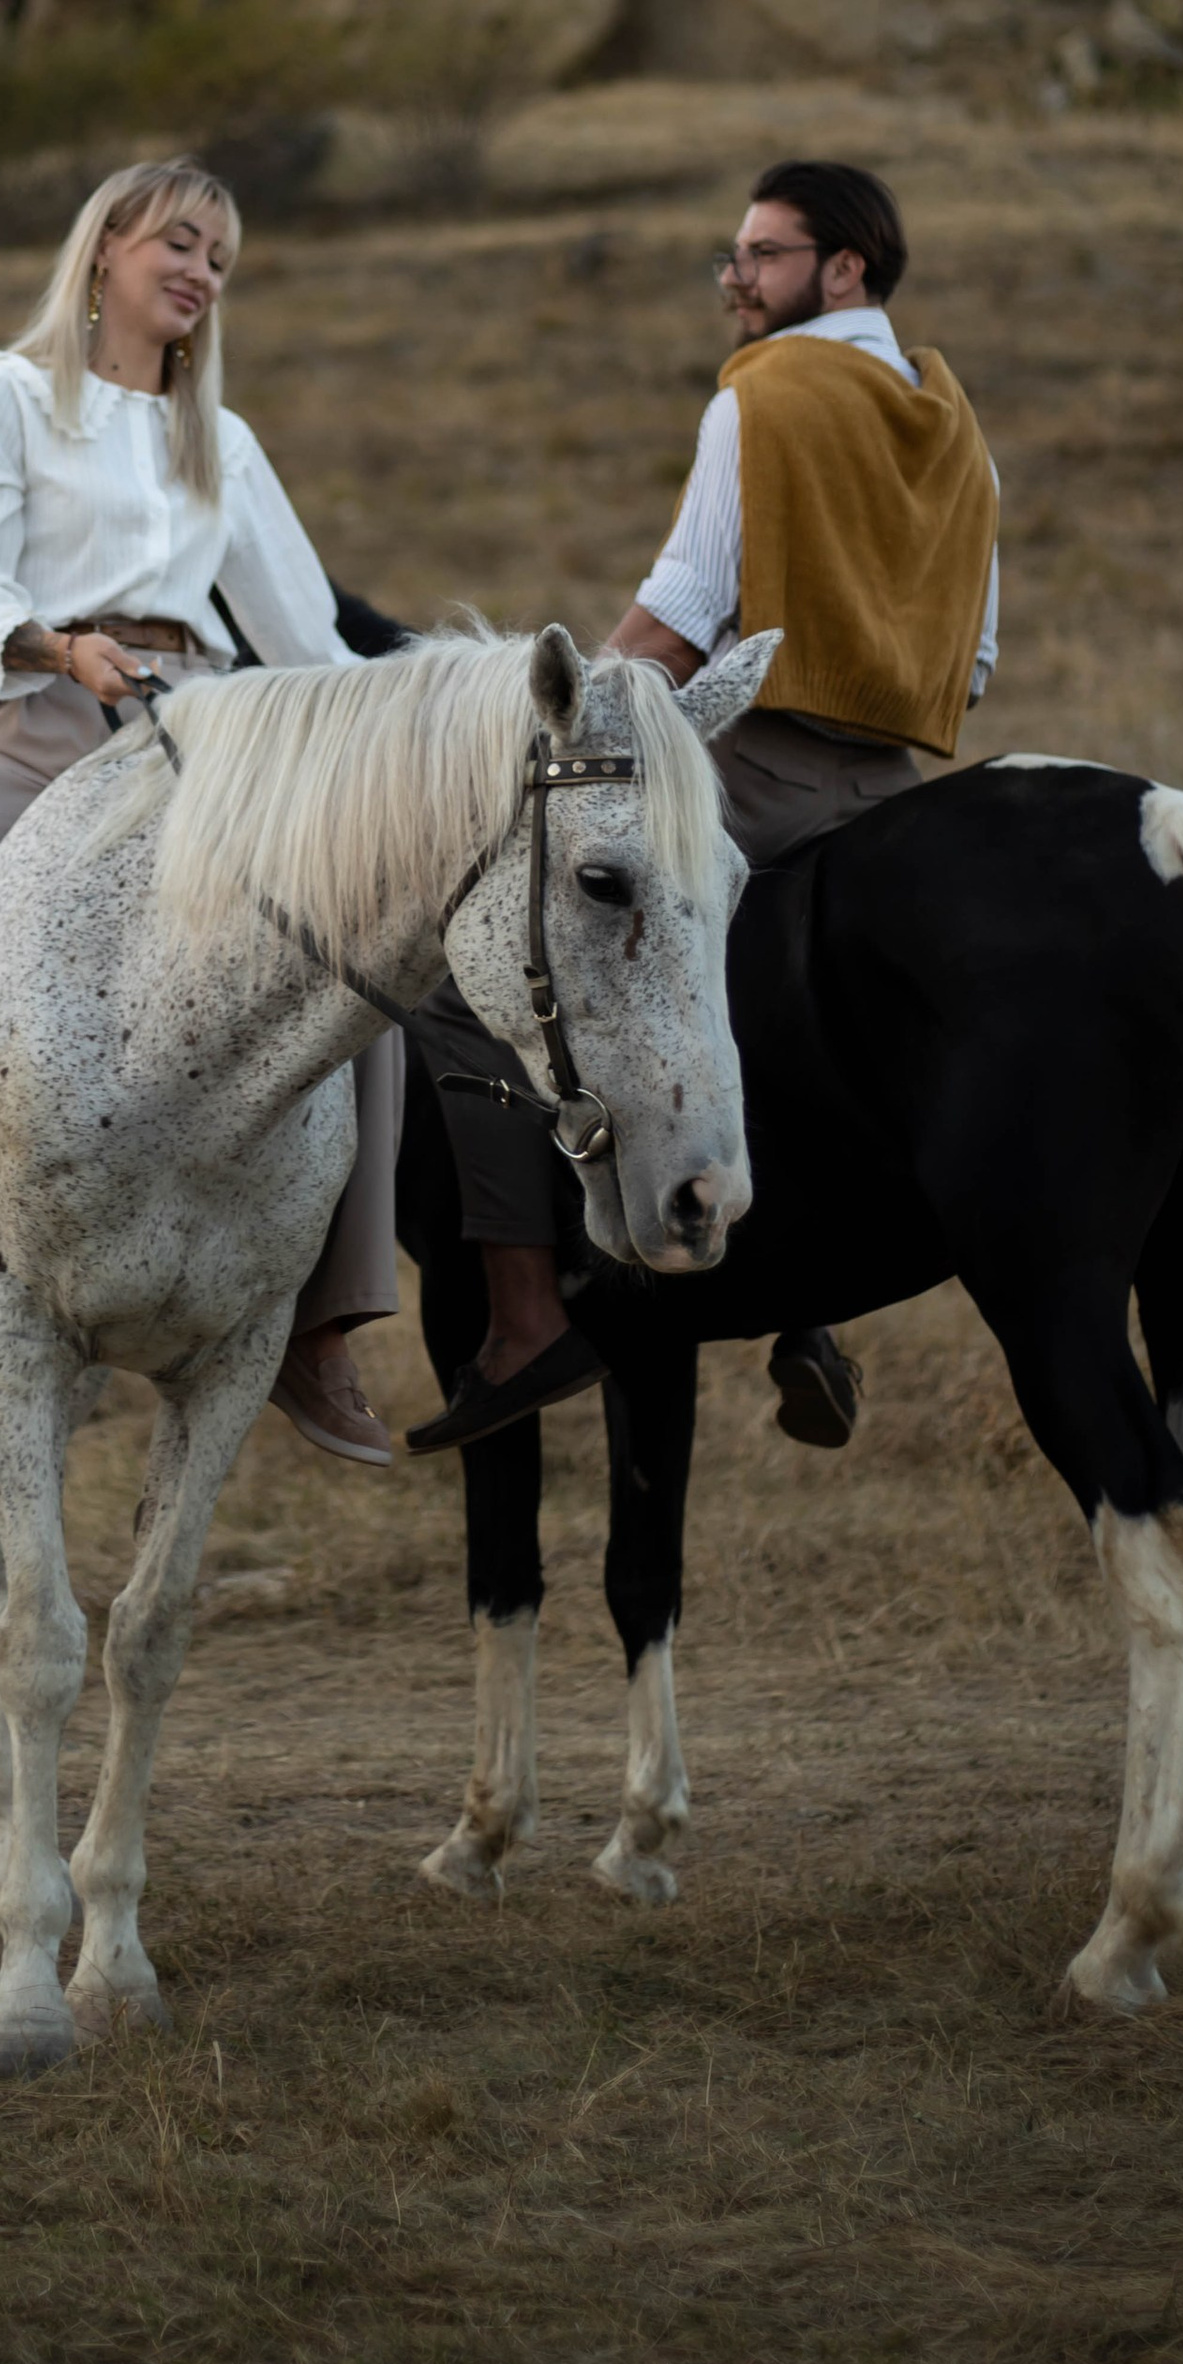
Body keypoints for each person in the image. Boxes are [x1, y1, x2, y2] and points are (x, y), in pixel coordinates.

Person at [0, 156, 404, 1468]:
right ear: (107, 246)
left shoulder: (223, 442)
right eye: (180, 244)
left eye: (220, 261)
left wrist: (409, 730)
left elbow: (309, 641)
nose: (200, 274)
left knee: (365, 958)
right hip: (38, 716)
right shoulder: (6, 398)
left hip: (207, 736)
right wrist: (60, 649)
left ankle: (323, 1324)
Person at [408, 158, 1000, 1455]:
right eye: (733, 256)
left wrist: (565, 709)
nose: (736, 279)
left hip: (754, 767)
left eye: (763, 255)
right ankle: (807, 1312)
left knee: (461, 982)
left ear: (844, 268)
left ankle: (523, 1316)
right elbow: (978, 661)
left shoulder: (764, 395)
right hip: (893, 781)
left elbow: (679, 616)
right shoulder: (949, 419)